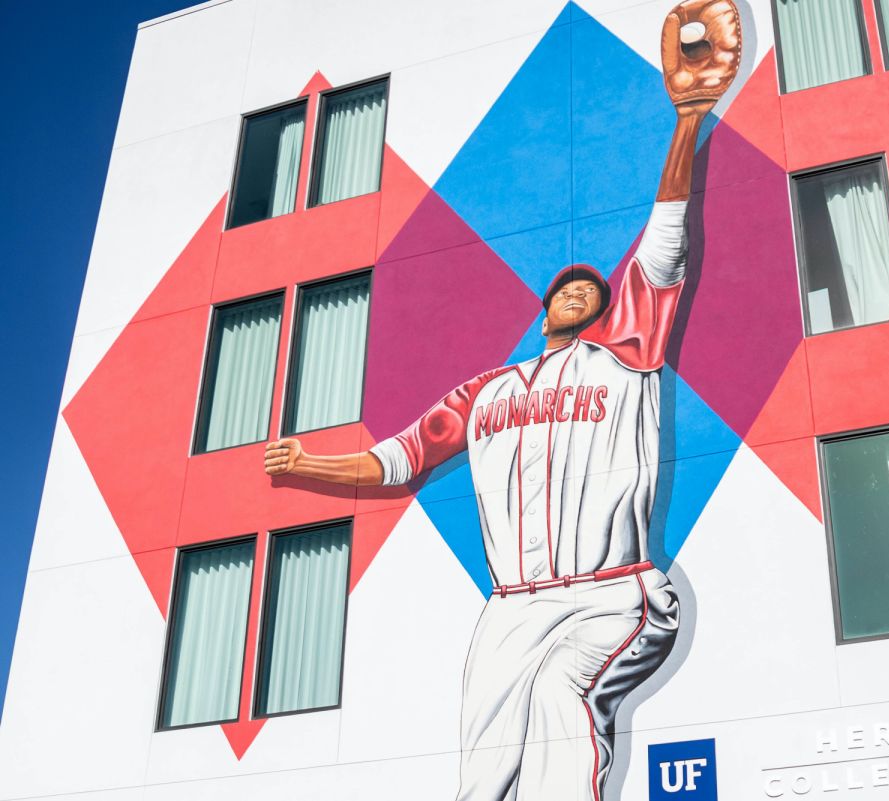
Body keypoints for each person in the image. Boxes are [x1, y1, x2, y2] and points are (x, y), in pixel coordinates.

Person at [264, 2, 740, 797]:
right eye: (567, 288)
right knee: (481, 781)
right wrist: (308, 462)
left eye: (590, 288)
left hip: (609, 591)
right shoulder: (487, 391)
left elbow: (666, 234)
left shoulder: (628, 348)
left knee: (565, 701)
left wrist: (687, 120)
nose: (579, 292)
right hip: (508, 610)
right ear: (547, 307)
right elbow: (397, 460)